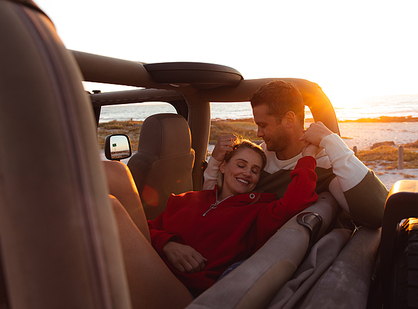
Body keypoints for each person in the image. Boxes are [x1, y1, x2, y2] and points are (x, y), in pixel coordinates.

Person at [105, 137, 322, 308]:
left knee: (110, 208)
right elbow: (147, 230)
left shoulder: (258, 212)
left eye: (255, 171)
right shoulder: (188, 199)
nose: (248, 173)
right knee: (115, 171)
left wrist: (308, 155)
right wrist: (168, 244)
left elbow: (297, 199)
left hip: (185, 294)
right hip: (151, 268)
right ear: (224, 167)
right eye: (241, 165)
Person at [204, 80, 389, 229]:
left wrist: (331, 141)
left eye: (264, 125)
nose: (259, 133)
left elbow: (379, 213)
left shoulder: (323, 165)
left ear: (289, 120)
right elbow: (211, 200)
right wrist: (215, 161)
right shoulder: (257, 159)